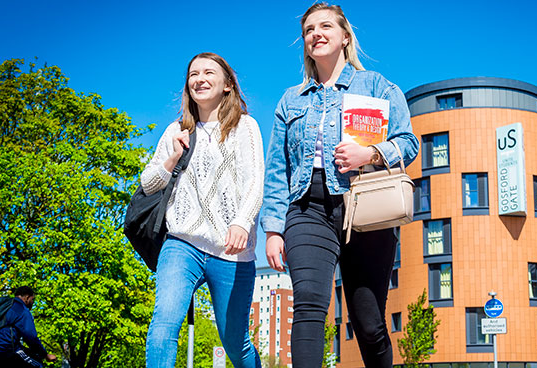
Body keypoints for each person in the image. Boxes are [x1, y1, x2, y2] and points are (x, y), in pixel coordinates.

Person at [261, 3, 419, 367]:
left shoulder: (376, 86)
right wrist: (272, 229)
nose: (316, 33)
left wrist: (371, 154)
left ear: (345, 37)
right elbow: (276, 171)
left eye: (326, 26)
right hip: (307, 209)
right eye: (309, 29)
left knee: (368, 322)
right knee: (310, 306)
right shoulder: (291, 100)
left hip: (365, 208)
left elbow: (408, 143)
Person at [141, 52, 263, 368]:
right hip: (182, 243)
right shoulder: (176, 130)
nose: (200, 79)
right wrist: (171, 158)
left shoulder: (246, 127)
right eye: (193, 74)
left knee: (235, 344)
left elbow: (255, 182)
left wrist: (241, 221)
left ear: (226, 84)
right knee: (164, 325)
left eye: (209, 72)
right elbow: (148, 183)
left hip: (231, 251)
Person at [0, 286, 57, 368]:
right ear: (27, 298)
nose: (33, 303)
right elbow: (31, 338)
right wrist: (45, 355)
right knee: (37, 363)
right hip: (2, 349)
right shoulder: (21, 309)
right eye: (32, 300)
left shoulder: (1, 304)